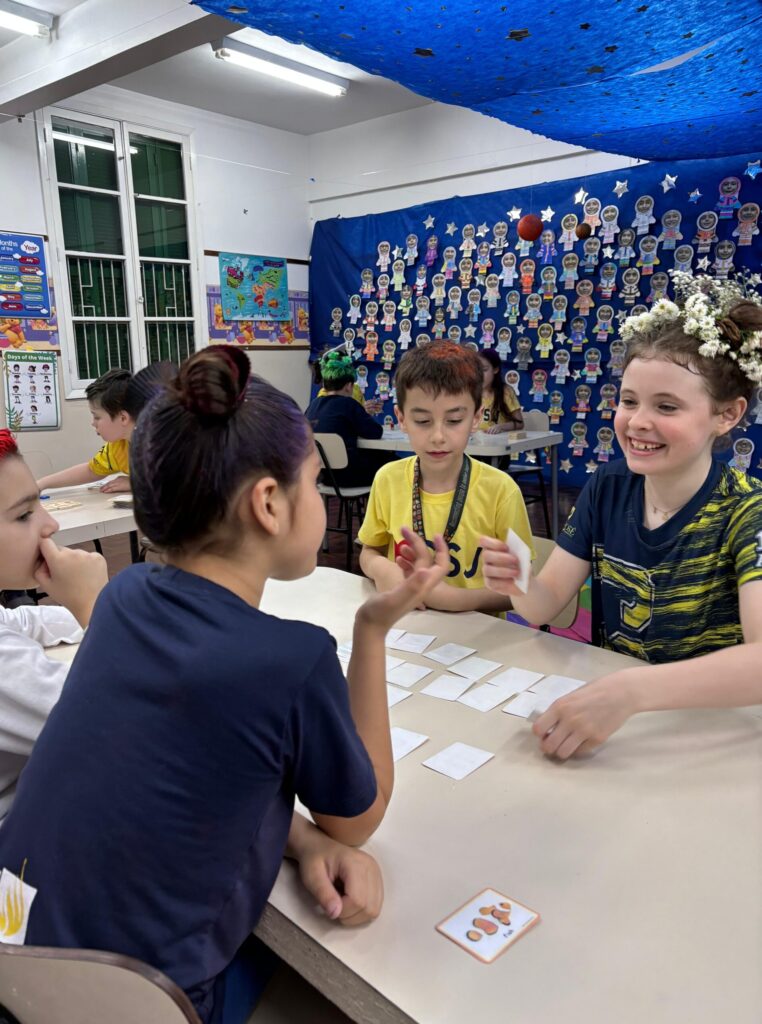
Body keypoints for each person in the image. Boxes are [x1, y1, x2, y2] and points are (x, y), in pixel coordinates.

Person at [0, 346, 449, 1024]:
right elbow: (358, 821)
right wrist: (372, 632)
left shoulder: (123, 600)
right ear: (269, 503)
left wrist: (298, 838)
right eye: (315, 480)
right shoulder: (291, 659)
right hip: (145, 1004)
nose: (322, 497)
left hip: (18, 964)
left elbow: (183, 749)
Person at [481, 274, 762, 758]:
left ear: (727, 415)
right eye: (629, 401)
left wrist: (631, 691)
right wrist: (518, 580)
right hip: (614, 728)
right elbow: (542, 608)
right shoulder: (609, 486)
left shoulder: (747, 510)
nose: (638, 422)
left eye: (667, 406)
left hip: (708, 736)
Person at [359, 340, 532, 613]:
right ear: (401, 418)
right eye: (423, 421)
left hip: (479, 643)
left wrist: (458, 600)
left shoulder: (501, 491)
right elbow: (369, 552)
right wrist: (381, 570)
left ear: (476, 418)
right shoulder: (387, 480)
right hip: (407, 631)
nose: (438, 437)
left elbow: (524, 587)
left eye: (453, 421)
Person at [0, 428, 108, 819]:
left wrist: (117, 612)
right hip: (22, 851)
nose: (51, 526)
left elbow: (22, 619)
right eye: (25, 514)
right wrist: (94, 607)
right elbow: (129, 727)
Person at [37, 368, 135, 494]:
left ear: (123, 418)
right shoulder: (118, 446)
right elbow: (91, 471)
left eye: (97, 417)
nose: (93, 423)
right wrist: (41, 484)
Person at [305, 350, 394, 487]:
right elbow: (375, 432)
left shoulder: (313, 405)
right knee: (395, 465)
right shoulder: (349, 404)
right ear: (348, 386)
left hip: (323, 476)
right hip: (349, 475)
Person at [477, 348, 524, 432]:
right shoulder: (470, 393)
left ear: (495, 369)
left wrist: (501, 427)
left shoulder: (506, 391)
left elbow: (519, 423)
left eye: (484, 370)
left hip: (499, 443)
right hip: (476, 442)